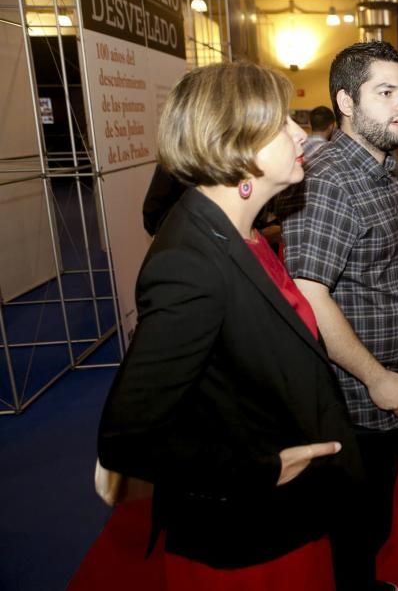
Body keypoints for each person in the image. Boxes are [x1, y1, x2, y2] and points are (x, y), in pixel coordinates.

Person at [98, 62, 360, 588]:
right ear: (235, 144)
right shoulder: (189, 264)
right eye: (280, 122)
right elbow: (127, 438)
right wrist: (257, 472)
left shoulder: (234, 229)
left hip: (285, 519)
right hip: (248, 541)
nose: (298, 131)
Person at [280, 40, 398, 591]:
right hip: (356, 393)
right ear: (345, 101)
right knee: (356, 525)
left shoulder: (385, 166)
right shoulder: (332, 178)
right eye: (385, 93)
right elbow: (309, 293)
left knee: (372, 519)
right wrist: (375, 376)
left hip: (392, 378)